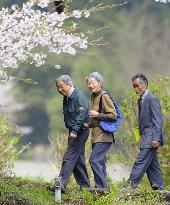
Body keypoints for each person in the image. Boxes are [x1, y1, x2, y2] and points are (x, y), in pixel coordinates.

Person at [123, 73, 164, 191]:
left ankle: (129, 187)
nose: (136, 89)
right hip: (146, 137)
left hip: (151, 138)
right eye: (134, 87)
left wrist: (156, 138)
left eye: (137, 86)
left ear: (145, 85)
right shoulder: (141, 100)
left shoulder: (152, 98)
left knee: (140, 162)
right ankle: (159, 188)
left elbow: (158, 120)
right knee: (152, 165)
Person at [55, 75, 90, 192]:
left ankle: (60, 184)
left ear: (69, 84)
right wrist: (72, 130)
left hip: (80, 131)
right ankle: (85, 187)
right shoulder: (66, 98)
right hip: (73, 131)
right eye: (57, 88)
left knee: (69, 157)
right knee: (78, 160)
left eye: (61, 86)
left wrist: (74, 130)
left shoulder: (79, 96)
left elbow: (82, 114)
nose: (59, 90)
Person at [85, 72, 117, 191]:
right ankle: (101, 188)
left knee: (94, 160)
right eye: (88, 83)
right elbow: (95, 120)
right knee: (100, 163)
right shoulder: (93, 96)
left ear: (100, 83)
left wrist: (97, 114)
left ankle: (103, 188)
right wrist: (87, 124)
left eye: (92, 82)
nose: (90, 85)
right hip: (96, 136)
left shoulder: (104, 96)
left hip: (104, 136)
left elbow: (113, 115)